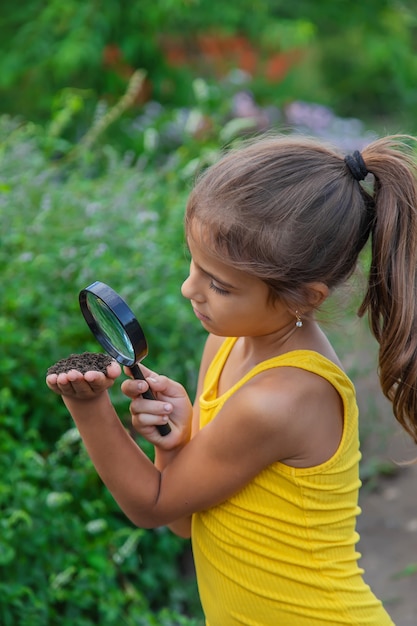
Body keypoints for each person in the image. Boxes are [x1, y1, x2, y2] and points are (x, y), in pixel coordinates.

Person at [46, 133, 417, 625]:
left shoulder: (282, 398)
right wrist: (174, 443)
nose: (188, 289)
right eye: (194, 265)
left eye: (218, 285)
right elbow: (184, 520)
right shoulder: (225, 344)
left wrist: (90, 408)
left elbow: (153, 506)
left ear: (303, 298)